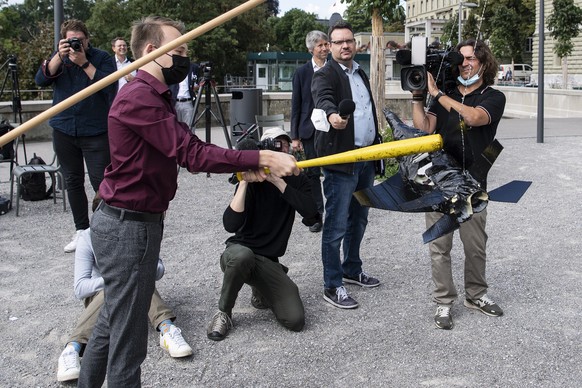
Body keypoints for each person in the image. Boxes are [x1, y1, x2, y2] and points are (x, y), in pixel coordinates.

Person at [77, 16, 299, 387]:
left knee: (111, 321)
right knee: (128, 344)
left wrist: (248, 168)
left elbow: (190, 148)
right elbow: (190, 153)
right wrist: (260, 157)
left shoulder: (152, 97)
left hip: (130, 223)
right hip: (127, 228)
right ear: (152, 51)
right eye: (178, 51)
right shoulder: (139, 98)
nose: (185, 59)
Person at [410, 38, 506, 330]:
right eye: (460, 59)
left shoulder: (492, 96)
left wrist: (438, 95)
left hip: (473, 186)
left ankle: (476, 295)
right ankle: (443, 302)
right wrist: (417, 97)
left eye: (471, 59)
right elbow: (424, 127)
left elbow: (475, 118)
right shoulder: (447, 94)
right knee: (439, 247)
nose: (465, 63)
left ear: (483, 63)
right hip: (439, 182)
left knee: (475, 246)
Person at [206, 127, 319, 341]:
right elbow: (230, 224)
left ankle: (260, 291)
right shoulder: (251, 179)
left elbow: (311, 214)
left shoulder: (296, 180)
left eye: (286, 145)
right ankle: (223, 313)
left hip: (268, 260)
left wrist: (278, 181)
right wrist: (245, 181)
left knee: (295, 320)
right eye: (277, 146)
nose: (283, 149)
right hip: (238, 253)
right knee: (242, 257)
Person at [56, 229, 192, 382]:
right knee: (124, 283)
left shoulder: (135, 228)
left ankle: (167, 329)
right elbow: (80, 288)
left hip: (134, 284)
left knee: (139, 279)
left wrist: (144, 267)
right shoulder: (87, 237)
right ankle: (72, 349)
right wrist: (115, 279)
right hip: (98, 294)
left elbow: (159, 270)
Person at [311, 21, 382, 309]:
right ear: (329, 45)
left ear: (356, 43)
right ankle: (332, 284)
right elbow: (323, 99)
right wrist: (332, 116)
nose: (345, 46)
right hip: (342, 163)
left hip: (366, 159)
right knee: (337, 224)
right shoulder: (325, 73)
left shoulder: (360, 72)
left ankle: (352, 269)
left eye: (349, 41)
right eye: (339, 42)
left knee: (360, 219)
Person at [35, 19, 116, 253]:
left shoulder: (101, 58)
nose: (75, 44)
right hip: (64, 129)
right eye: (71, 40)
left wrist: (84, 64)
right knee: (72, 181)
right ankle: (82, 231)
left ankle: (108, 231)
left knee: (102, 181)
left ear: (87, 39)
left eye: (80, 40)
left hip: (95, 130)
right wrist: (58, 57)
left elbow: (110, 88)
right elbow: (40, 80)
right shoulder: (59, 58)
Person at [290, 30, 329, 233]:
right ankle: (317, 215)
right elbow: (296, 106)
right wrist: (294, 136)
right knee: (313, 174)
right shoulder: (302, 73)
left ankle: (335, 212)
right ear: (311, 49)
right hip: (309, 130)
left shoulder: (335, 68)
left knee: (334, 170)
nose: (324, 48)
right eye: (320, 45)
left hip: (332, 129)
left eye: (326, 44)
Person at [169, 60, 200, 130]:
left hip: (188, 102)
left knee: (190, 129)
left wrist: (196, 86)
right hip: (175, 102)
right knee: (176, 129)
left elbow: (197, 83)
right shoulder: (171, 67)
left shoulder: (193, 67)